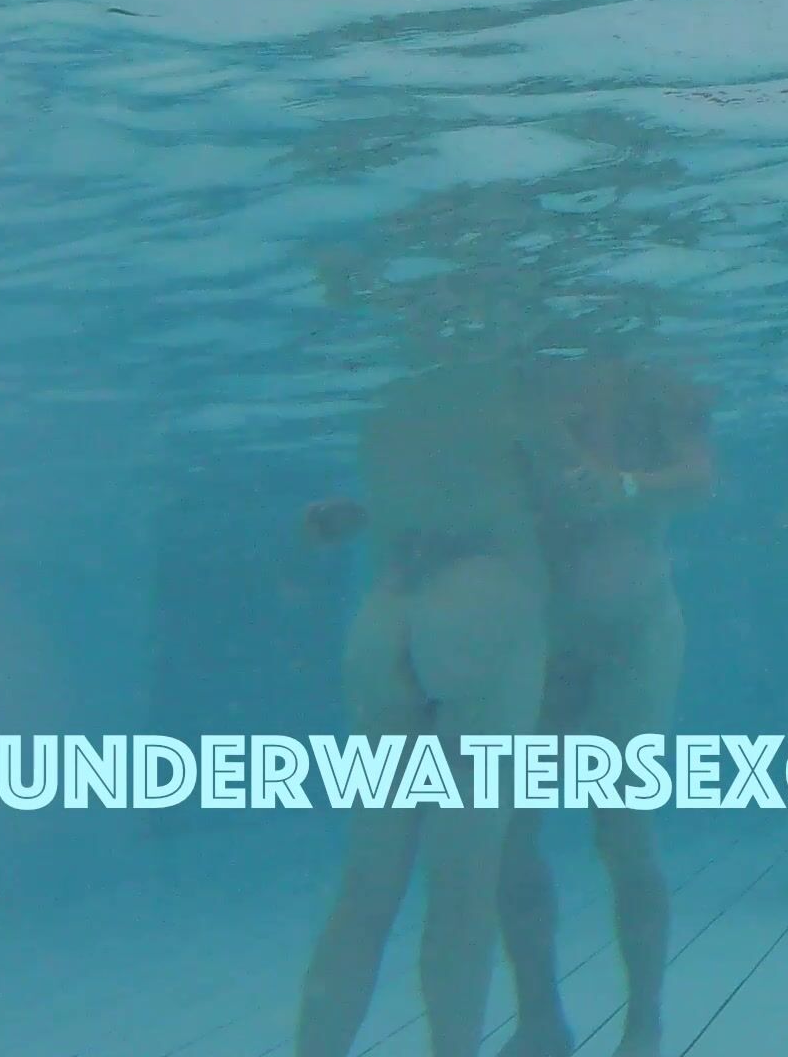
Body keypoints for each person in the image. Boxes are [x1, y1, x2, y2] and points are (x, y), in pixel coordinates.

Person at [292, 346, 586, 1057]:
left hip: (384, 618)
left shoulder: (390, 394)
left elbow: (421, 503)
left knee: (367, 886)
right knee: (462, 888)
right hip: (488, 605)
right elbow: (576, 503)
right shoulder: (518, 388)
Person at [500, 354, 714, 1057]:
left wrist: (622, 483)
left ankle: (643, 1023)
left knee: (622, 827)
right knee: (510, 835)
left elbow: (697, 479)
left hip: (635, 631)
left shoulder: (654, 380)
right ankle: (540, 1019)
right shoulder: (517, 380)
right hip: (537, 638)